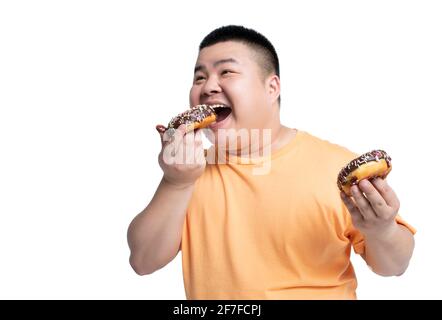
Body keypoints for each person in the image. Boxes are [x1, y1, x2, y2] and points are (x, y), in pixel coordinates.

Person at [127, 25, 416, 299]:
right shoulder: (188, 172)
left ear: (272, 87)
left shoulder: (336, 168)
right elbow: (143, 261)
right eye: (199, 78)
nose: (208, 86)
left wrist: (383, 230)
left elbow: (394, 266)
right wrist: (176, 183)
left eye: (226, 71)